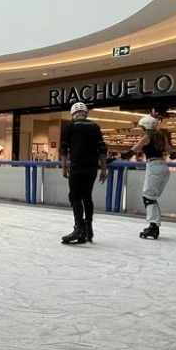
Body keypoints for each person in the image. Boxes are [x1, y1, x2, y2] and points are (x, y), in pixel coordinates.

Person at [58, 102, 107, 245]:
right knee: (87, 196)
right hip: (91, 168)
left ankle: (79, 228)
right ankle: (88, 228)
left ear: (73, 114)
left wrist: (64, 166)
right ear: (86, 113)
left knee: (74, 196)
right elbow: (102, 149)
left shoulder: (70, 126)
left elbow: (64, 149)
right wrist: (104, 169)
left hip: (77, 167)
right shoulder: (95, 126)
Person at [133, 115, 172, 240]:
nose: (141, 129)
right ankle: (154, 225)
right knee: (151, 197)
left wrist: (113, 159)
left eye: (142, 127)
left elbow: (134, 149)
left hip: (154, 167)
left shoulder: (147, 137)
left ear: (146, 126)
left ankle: (153, 226)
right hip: (163, 167)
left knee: (148, 197)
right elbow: (170, 150)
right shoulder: (162, 136)